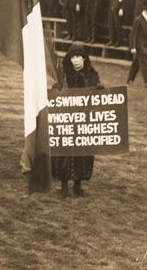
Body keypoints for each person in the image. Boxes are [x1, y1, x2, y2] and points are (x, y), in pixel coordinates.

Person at [52, 45, 104, 198]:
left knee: (83, 153)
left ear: (84, 58)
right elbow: (55, 90)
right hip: (67, 120)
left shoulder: (91, 75)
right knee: (65, 153)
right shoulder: (63, 75)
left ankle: (77, 185)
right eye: (72, 57)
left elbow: (98, 94)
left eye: (78, 57)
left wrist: (99, 89)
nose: (75, 60)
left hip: (84, 121)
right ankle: (63, 186)